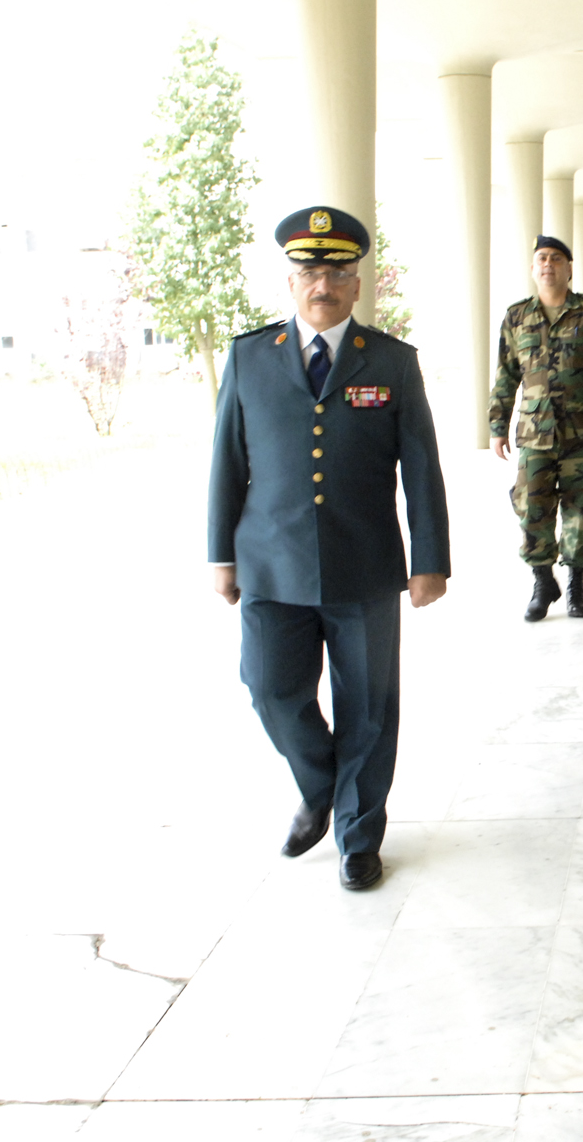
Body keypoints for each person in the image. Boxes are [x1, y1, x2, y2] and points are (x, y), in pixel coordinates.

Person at [208, 206, 451, 893]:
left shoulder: (392, 361)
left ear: (357, 284)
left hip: (364, 564)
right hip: (270, 565)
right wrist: (220, 555)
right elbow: (227, 463)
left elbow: (421, 468)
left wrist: (430, 559)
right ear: (290, 281)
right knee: (270, 688)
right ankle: (321, 788)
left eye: (339, 272)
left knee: (368, 707)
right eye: (311, 271)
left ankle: (358, 837)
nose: (324, 284)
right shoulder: (249, 357)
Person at [489, 235, 583, 620]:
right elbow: (506, 375)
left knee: (580, 511)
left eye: (556, 258)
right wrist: (497, 425)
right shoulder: (517, 317)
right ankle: (542, 582)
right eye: (541, 258)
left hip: (581, 433)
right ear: (533, 268)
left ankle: (575, 587)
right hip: (534, 434)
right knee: (531, 507)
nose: (548, 264)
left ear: (569, 268)